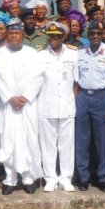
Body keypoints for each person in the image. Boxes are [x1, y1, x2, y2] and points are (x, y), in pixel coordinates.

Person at [0, 18, 45, 195]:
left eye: (17, 33)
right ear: (7, 34)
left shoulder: (32, 54)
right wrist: (10, 98)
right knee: (9, 141)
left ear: (22, 35)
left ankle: (28, 179)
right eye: (11, 33)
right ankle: (10, 179)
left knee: (28, 141)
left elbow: (39, 78)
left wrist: (25, 97)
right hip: (7, 107)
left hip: (27, 106)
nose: (14, 36)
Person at [76, 21, 105, 192]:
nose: (95, 36)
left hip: (102, 98)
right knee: (82, 140)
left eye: (98, 34)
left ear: (103, 35)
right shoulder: (80, 52)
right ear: (88, 34)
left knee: (102, 140)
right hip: (82, 97)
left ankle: (102, 177)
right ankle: (83, 178)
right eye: (92, 33)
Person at [37, 22, 78, 192]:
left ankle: (66, 178)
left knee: (67, 144)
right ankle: (50, 178)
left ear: (63, 37)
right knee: (48, 145)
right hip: (46, 105)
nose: (52, 39)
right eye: (50, 36)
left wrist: (70, 99)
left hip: (67, 106)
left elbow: (76, 82)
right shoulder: (40, 56)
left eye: (56, 36)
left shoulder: (73, 55)